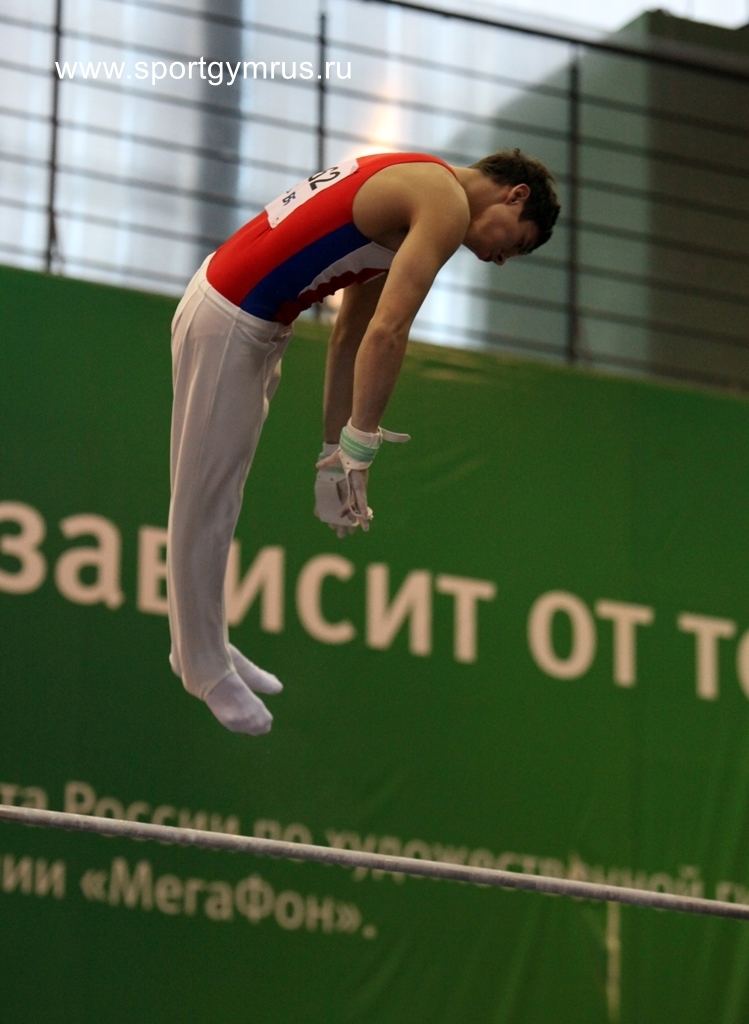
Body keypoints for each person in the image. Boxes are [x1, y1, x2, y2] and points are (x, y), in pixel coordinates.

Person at [167, 148, 560, 736]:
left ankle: (204, 644)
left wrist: (334, 453)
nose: (503, 260)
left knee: (222, 495)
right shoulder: (444, 204)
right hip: (232, 314)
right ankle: (200, 666)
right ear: (516, 194)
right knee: (206, 499)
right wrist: (362, 446)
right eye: (518, 243)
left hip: (251, 318)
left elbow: (349, 334)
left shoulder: (414, 188)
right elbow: (389, 332)